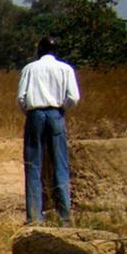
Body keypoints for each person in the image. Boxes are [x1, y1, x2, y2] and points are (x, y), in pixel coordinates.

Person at [16, 36, 80, 225]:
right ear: (56, 51)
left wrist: (29, 113)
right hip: (56, 114)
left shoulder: (29, 69)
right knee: (60, 164)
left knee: (33, 165)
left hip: (35, 114)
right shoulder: (65, 69)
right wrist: (61, 110)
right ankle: (65, 217)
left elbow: (21, 98)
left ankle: (35, 217)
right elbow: (74, 97)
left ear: (39, 50)